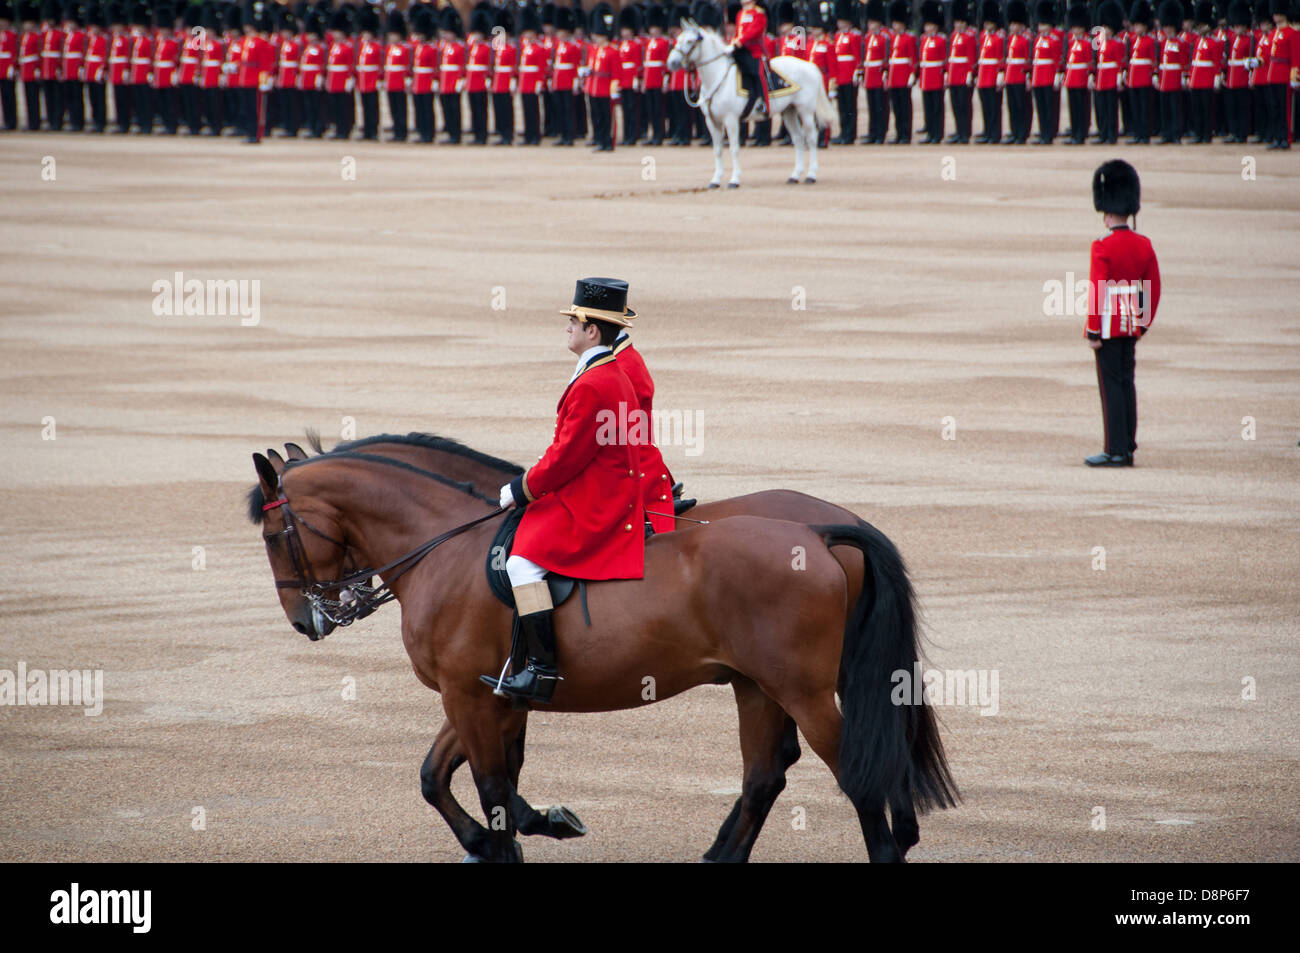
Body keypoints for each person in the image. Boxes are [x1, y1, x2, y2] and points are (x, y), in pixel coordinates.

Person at [483, 278, 647, 704]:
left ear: (592, 330)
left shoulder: (595, 382)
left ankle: (542, 670)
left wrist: (521, 489)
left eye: (573, 320)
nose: (567, 327)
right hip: (600, 482)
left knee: (522, 564)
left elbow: (567, 457)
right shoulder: (606, 369)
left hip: (597, 497)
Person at [1084, 160, 1161, 468]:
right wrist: (1142, 324)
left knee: (1111, 386)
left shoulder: (1103, 245)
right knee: (1127, 384)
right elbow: (1153, 289)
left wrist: (1092, 331)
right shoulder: (1143, 244)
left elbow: (1097, 289)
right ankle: (1127, 445)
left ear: (1107, 212)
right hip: (1130, 324)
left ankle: (1115, 449)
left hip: (1107, 325)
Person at [731, 0, 768, 121]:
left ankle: (763, 103)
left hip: (754, 51)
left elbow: (754, 31)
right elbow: (738, 32)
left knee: (758, 74)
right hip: (740, 51)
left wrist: (740, 41)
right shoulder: (740, 14)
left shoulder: (758, 13)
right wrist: (734, 42)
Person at [885, 0, 915, 142]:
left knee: (904, 107)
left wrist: (912, 74)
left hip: (903, 76)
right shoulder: (892, 38)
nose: (894, 25)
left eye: (897, 23)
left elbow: (912, 58)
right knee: (896, 108)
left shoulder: (909, 38)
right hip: (893, 76)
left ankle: (906, 134)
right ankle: (899, 133)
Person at [975, 0, 1005, 143]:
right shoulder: (983, 36)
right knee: (986, 106)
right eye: (985, 23)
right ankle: (987, 131)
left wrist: (1000, 72)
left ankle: (995, 134)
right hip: (983, 75)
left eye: (989, 23)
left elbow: (1001, 56)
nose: (986, 25)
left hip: (993, 74)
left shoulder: (999, 37)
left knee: (994, 107)